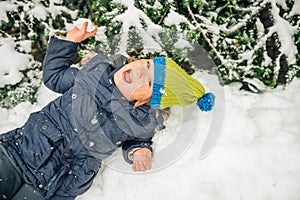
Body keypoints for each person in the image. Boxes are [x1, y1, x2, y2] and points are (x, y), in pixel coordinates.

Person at [0, 22, 215, 199]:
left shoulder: (141, 121)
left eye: (149, 83)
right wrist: (68, 42)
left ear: (148, 102)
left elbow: (137, 139)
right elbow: (54, 76)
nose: (139, 72)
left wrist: (139, 150)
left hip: (55, 185)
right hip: (17, 152)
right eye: (147, 65)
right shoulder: (90, 77)